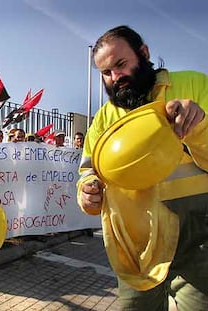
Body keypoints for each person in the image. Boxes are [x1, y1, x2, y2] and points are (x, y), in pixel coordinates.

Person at [77, 25, 208, 310]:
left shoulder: (196, 85)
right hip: (135, 244)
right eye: (106, 73)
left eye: (121, 65)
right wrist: (87, 193)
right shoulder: (104, 118)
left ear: (144, 53)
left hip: (199, 236)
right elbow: (88, 170)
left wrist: (199, 127)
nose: (115, 78)